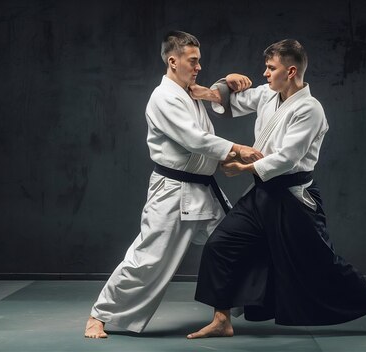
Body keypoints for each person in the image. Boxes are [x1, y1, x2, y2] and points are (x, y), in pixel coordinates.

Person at [186, 39, 366, 339]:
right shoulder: (267, 95)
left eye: (271, 68)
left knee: (323, 261)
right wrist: (224, 82)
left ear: (291, 71)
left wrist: (242, 168)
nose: (265, 73)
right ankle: (222, 318)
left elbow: (287, 158)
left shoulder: (311, 109)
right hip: (261, 195)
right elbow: (225, 103)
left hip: (293, 197)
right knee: (221, 245)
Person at [84, 30, 261, 338]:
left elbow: (209, 96)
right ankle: (99, 315)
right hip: (172, 192)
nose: (198, 67)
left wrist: (226, 84)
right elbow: (195, 139)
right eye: (193, 61)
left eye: (199, 61)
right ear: (172, 60)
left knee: (234, 244)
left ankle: (223, 317)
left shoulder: (187, 92)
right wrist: (238, 149)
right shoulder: (163, 97)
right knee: (149, 259)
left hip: (203, 191)